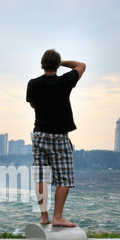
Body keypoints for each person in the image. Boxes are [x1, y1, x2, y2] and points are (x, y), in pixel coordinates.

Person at [26, 49, 86, 227]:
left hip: (40, 135)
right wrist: (61, 63)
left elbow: (32, 104)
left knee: (41, 177)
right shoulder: (65, 81)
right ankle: (58, 216)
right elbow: (81, 66)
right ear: (57, 65)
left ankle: (44, 216)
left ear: (42, 64)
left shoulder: (33, 83)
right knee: (64, 178)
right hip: (60, 137)